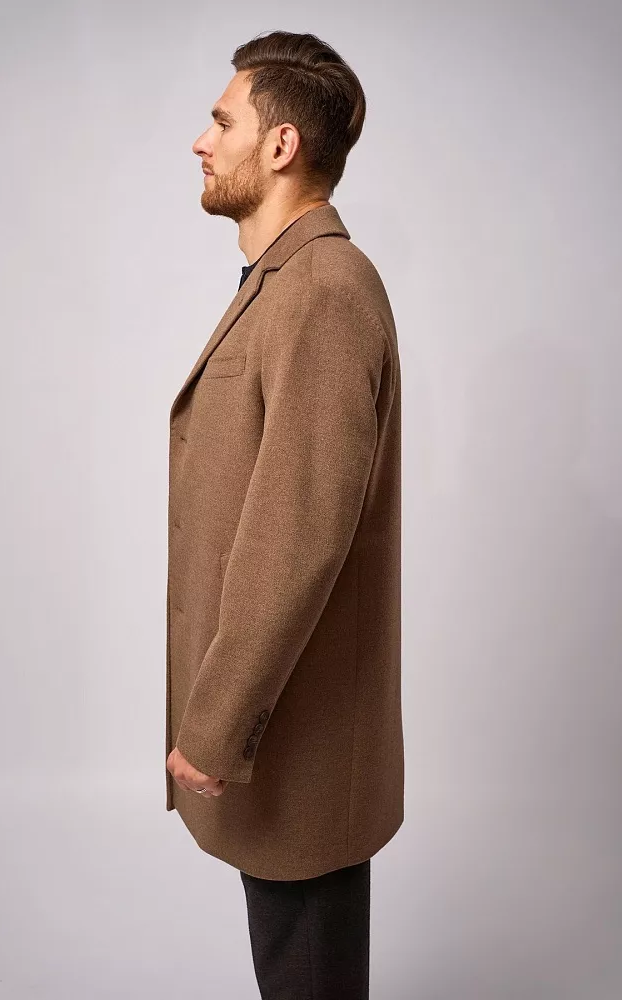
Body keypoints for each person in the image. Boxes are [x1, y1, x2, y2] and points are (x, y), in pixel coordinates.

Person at [165, 29, 404, 999]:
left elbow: (298, 537)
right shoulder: (282, 283)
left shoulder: (324, 291)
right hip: (285, 726)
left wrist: (216, 722)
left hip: (293, 733)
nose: (200, 141)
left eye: (221, 122)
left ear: (279, 146)